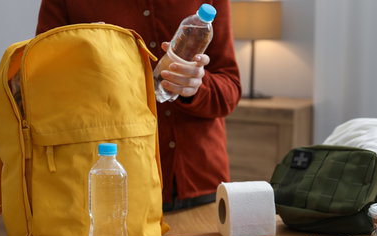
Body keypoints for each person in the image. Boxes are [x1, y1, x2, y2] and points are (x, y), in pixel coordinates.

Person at [36, 0, 241, 211]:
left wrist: (195, 86)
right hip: (111, 181)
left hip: (197, 183)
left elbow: (230, 91)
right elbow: (43, 84)